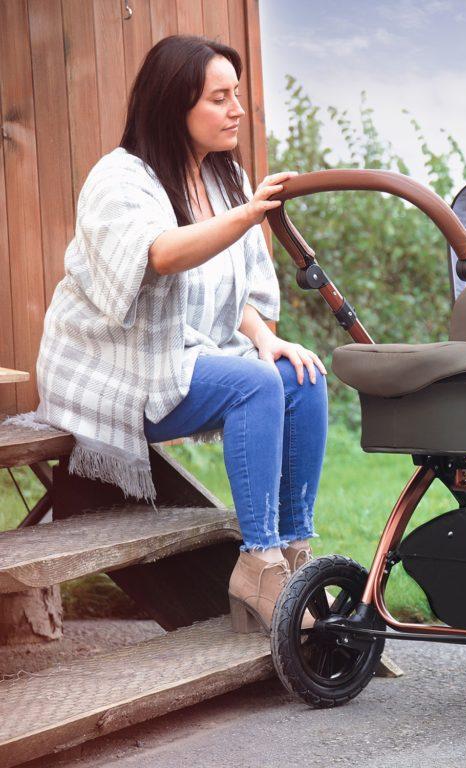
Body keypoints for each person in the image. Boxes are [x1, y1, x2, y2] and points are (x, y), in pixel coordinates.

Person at [31, 35, 328, 635]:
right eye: (219, 99)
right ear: (175, 107)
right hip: (113, 369)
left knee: (298, 376)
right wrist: (248, 214)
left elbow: (234, 288)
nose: (236, 110)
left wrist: (267, 339)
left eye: (236, 95)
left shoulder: (224, 177)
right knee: (251, 384)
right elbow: (159, 256)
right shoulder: (120, 180)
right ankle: (259, 561)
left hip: (184, 357)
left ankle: (296, 557)